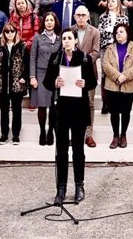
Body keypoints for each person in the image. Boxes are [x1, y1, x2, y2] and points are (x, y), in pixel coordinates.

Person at [44, 29, 97, 205]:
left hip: (78, 109)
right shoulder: (55, 58)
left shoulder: (84, 58)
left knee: (78, 150)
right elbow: (46, 82)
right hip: (61, 110)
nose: (66, 41)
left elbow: (93, 82)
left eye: (70, 38)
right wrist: (54, 82)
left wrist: (85, 83)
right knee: (61, 151)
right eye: (64, 38)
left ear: (75, 41)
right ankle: (61, 187)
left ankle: (79, 186)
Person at [0, 23, 30, 145]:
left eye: (12, 31)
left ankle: (16, 135)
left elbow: (27, 65)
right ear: (4, 33)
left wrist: (24, 77)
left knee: (17, 110)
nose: (10, 34)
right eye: (7, 32)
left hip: (17, 83)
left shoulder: (22, 47)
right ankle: (4, 134)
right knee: (4, 110)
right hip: (2, 84)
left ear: (16, 32)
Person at [102, 23, 133, 150]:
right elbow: (105, 65)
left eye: (121, 32)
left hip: (128, 85)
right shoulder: (109, 48)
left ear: (127, 34)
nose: (118, 34)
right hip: (112, 86)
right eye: (117, 32)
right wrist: (117, 76)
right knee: (114, 112)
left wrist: (125, 76)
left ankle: (123, 135)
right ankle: (115, 136)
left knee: (125, 112)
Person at [29, 12, 62, 145]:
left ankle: (51, 132)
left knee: (54, 107)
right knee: (42, 106)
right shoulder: (37, 38)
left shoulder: (60, 38)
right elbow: (32, 57)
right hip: (41, 74)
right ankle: (42, 131)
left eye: (51, 20)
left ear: (55, 22)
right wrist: (32, 77)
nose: (49, 22)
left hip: (55, 75)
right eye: (47, 20)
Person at [71, 5, 100, 148]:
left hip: (88, 72)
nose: (81, 17)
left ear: (88, 16)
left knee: (89, 103)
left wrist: (83, 61)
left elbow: (95, 52)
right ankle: (76, 134)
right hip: (72, 72)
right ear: (75, 17)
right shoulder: (70, 31)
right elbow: (67, 49)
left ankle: (88, 135)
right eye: (78, 15)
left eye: (83, 15)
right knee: (74, 104)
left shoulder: (94, 32)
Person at [97, 0, 130, 114]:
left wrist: (112, 33)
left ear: (118, 3)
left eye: (113, 1)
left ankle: (117, 101)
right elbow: (100, 32)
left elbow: (125, 33)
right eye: (108, 1)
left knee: (118, 73)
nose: (110, 3)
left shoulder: (124, 18)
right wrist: (113, 33)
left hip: (119, 48)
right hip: (106, 48)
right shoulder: (103, 17)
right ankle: (105, 102)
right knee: (105, 74)